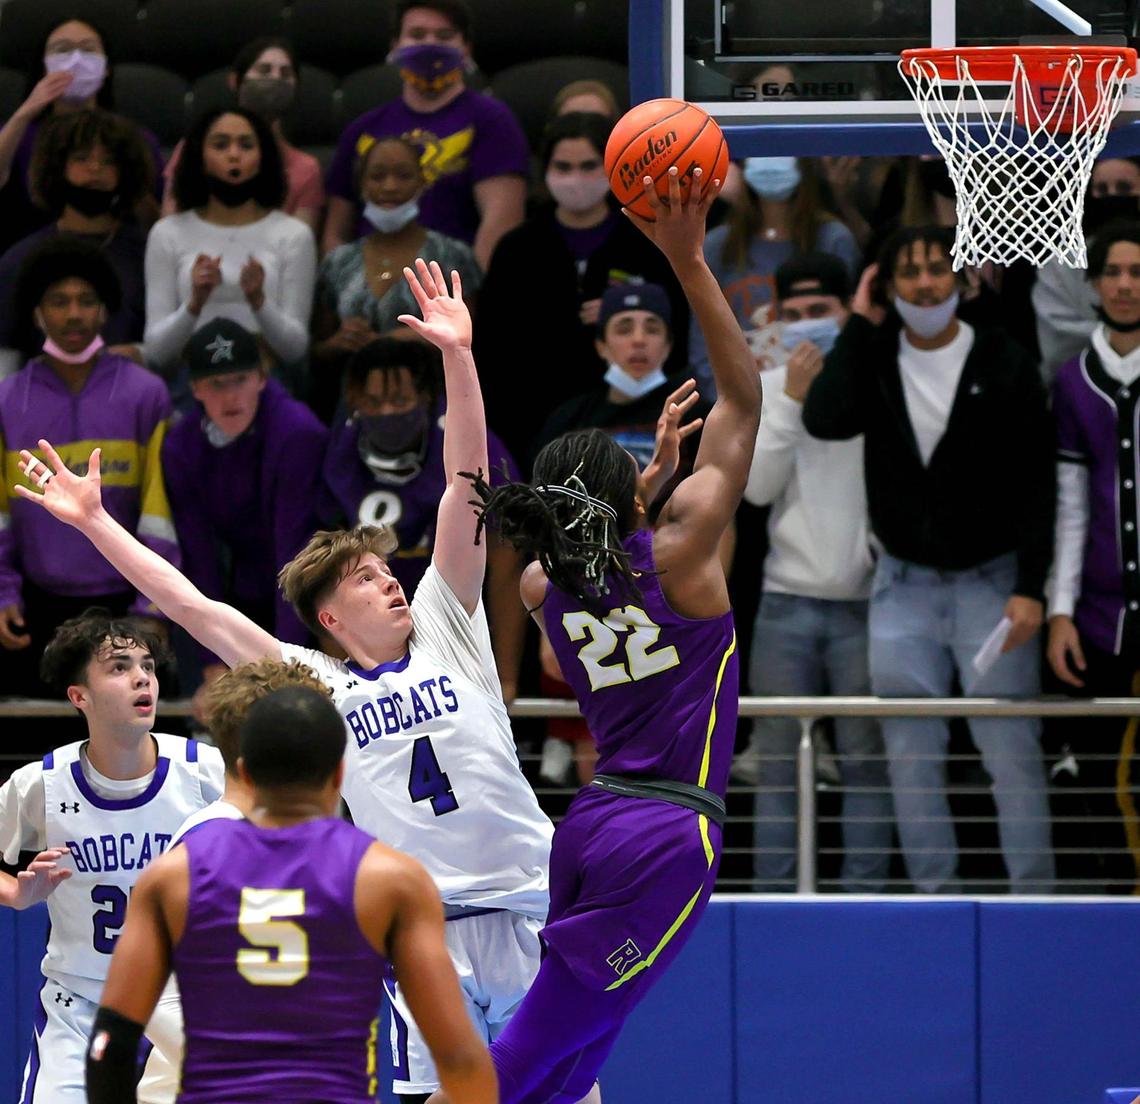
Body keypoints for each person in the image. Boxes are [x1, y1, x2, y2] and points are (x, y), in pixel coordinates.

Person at [16, 258, 554, 1104]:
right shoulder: (317, 685)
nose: (391, 584)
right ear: (329, 617)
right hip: (421, 926)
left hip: (526, 909)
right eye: (368, 581)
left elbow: (465, 484)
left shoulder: (452, 630)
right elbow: (192, 606)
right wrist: (94, 523)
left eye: (390, 576)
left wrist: (459, 356)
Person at [435, 165, 762, 1104]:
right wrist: (689, 263)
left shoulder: (542, 584)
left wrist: (646, 479)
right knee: (527, 1059)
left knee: (580, 1054)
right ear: (626, 499)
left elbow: (589, 548)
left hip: (591, 821)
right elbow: (741, 404)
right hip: (663, 831)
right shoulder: (684, 553)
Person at [86, 685, 498, 1104]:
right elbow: (462, 1062)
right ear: (339, 773)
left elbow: (109, 1044)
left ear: (245, 773)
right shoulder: (391, 879)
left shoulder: (173, 875)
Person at [802, 225, 1056, 894]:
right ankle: (934, 903)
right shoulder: (876, 355)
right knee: (910, 759)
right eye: (907, 271)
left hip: (994, 586)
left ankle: (1036, 901)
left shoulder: (1003, 358)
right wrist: (859, 320)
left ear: (960, 278)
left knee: (1012, 755)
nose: (923, 283)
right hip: (902, 588)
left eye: (936, 269)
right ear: (887, 285)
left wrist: (1033, 586)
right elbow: (826, 417)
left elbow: (1037, 483)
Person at [0, 609, 225, 1104]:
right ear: (79, 696)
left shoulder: (204, 770)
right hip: (81, 1003)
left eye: (146, 664)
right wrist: (15, 892)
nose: (142, 677)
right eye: (119, 667)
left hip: (185, 998)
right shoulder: (42, 784)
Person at [736, 252, 890, 892]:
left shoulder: (878, 375)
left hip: (867, 601)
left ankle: (866, 897)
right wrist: (793, 400)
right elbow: (759, 490)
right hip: (785, 605)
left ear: (846, 314)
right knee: (776, 769)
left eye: (820, 313)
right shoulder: (771, 384)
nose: (806, 327)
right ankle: (775, 897)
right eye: (793, 316)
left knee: (864, 764)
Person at [0, 240, 177, 711]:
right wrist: (3, 593)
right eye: (59, 302)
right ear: (37, 314)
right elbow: (1, 517)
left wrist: (151, 606)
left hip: (128, 604)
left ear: (105, 311)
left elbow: (160, 514)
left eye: (86, 301)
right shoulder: (8, 398)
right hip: (35, 611)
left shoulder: (146, 394)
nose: (73, 314)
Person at [475, 112, 689, 469]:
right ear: (545, 171)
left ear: (611, 168)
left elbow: (678, 331)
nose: (576, 179)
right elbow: (491, 348)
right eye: (563, 167)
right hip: (532, 419)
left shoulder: (646, 241)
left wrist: (623, 314)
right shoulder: (518, 248)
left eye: (589, 166)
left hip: (630, 416)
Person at [320, 337, 526, 702]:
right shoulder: (335, 455)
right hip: (370, 629)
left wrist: (504, 676)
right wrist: (345, 686)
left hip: (458, 621)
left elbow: (507, 561)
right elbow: (322, 580)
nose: (386, 412)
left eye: (399, 400)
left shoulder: (473, 444)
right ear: (354, 401)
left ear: (428, 397)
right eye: (373, 402)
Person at [161, 318, 327, 703]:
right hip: (242, 582)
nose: (230, 396)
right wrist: (213, 663)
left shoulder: (296, 432)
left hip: (311, 584)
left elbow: (295, 548)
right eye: (216, 384)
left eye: (240, 379)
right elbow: (197, 553)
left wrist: (286, 663)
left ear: (262, 378)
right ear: (195, 388)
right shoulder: (180, 446)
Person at [1046, 219, 1140, 892]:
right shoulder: (1074, 381)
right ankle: (1110, 898)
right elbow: (1072, 506)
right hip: (1100, 612)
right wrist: (1059, 611)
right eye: (1114, 272)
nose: (1127, 285)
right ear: (1094, 284)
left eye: (1138, 273)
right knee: (1100, 772)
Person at [321, 0, 529, 268]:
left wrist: (461, 302)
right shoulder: (363, 130)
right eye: (417, 35)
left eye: (444, 36)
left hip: (451, 292)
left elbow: (500, 227)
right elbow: (335, 233)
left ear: (466, 48)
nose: (430, 44)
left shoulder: (492, 121)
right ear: (395, 46)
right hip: (369, 291)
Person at [144, 107, 316, 386]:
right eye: (221, 145)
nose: (234, 154)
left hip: (268, 378)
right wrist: (194, 304)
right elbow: (156, 351)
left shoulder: (293, 234)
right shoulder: (167, 233)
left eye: (246, 145)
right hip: (194, 379)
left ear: (262, 158)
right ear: (200, 156)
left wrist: (259, 301)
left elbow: (295, 350)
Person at [312, 135, 481, 420]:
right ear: (362, 185)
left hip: (437, 406)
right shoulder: (338, 262)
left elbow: (471, 341)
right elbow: (317, 350)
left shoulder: (452, 256)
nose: (390, 186)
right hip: (357, 408)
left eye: (403, 176)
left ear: (422, 182)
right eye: (377, 176)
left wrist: (406, 339)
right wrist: (339, 342)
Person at [690, 155, 859, 393]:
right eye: (760, 151)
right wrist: (727, 401)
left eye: (782, 151)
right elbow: (703, 338)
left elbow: (849, 327)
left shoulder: (834, 238)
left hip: (823, 393)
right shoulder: (718, 245)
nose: (771, 160)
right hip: (739, 398)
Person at [0, 109, 153, 367]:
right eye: (81, 158)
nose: (94, 169)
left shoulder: (147, 251)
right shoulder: (21, 258)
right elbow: (6, 353)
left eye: (108, 161)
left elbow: (167, 344)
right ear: (57, 168)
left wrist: (141, 355)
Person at [0, 17, 163, 255]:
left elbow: (159, 225)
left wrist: (128, 175)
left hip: (116, 255)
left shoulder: (135, 137)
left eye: (88, 49)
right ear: (44, 66)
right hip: (28, 257)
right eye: (62, 50)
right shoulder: (18, 133)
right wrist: (24, 113)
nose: (76, 59)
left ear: (106, 67)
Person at [161, 37, 325, 232]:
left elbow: (299, 246)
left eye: (285, 73)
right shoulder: (194, 146)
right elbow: (169, 225)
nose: (275, 78)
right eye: (264, 70)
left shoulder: (307, 169)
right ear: (234, 81)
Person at [1033, 156, 1140, 383]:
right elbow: (1058, 337)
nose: (1112, 197)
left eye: (1124, 188)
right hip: (1080, 385)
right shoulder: (1063, 260)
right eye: (1102, 189)